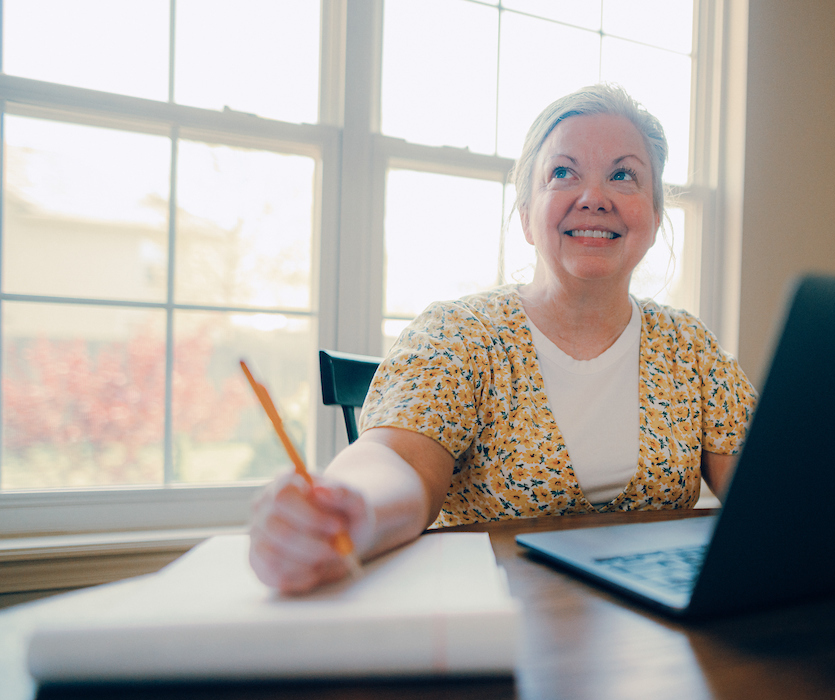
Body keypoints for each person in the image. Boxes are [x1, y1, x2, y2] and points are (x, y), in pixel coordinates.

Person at [249, 85, 756, 593]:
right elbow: (394, 460)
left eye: (624, 175)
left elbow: (771, 497)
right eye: (563, 173)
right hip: (492, 634)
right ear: (526, 217)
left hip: (661, 639)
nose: (594, 198)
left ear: (654, 217)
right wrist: (348, 504)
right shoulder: (459, 335)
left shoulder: (691, 349)